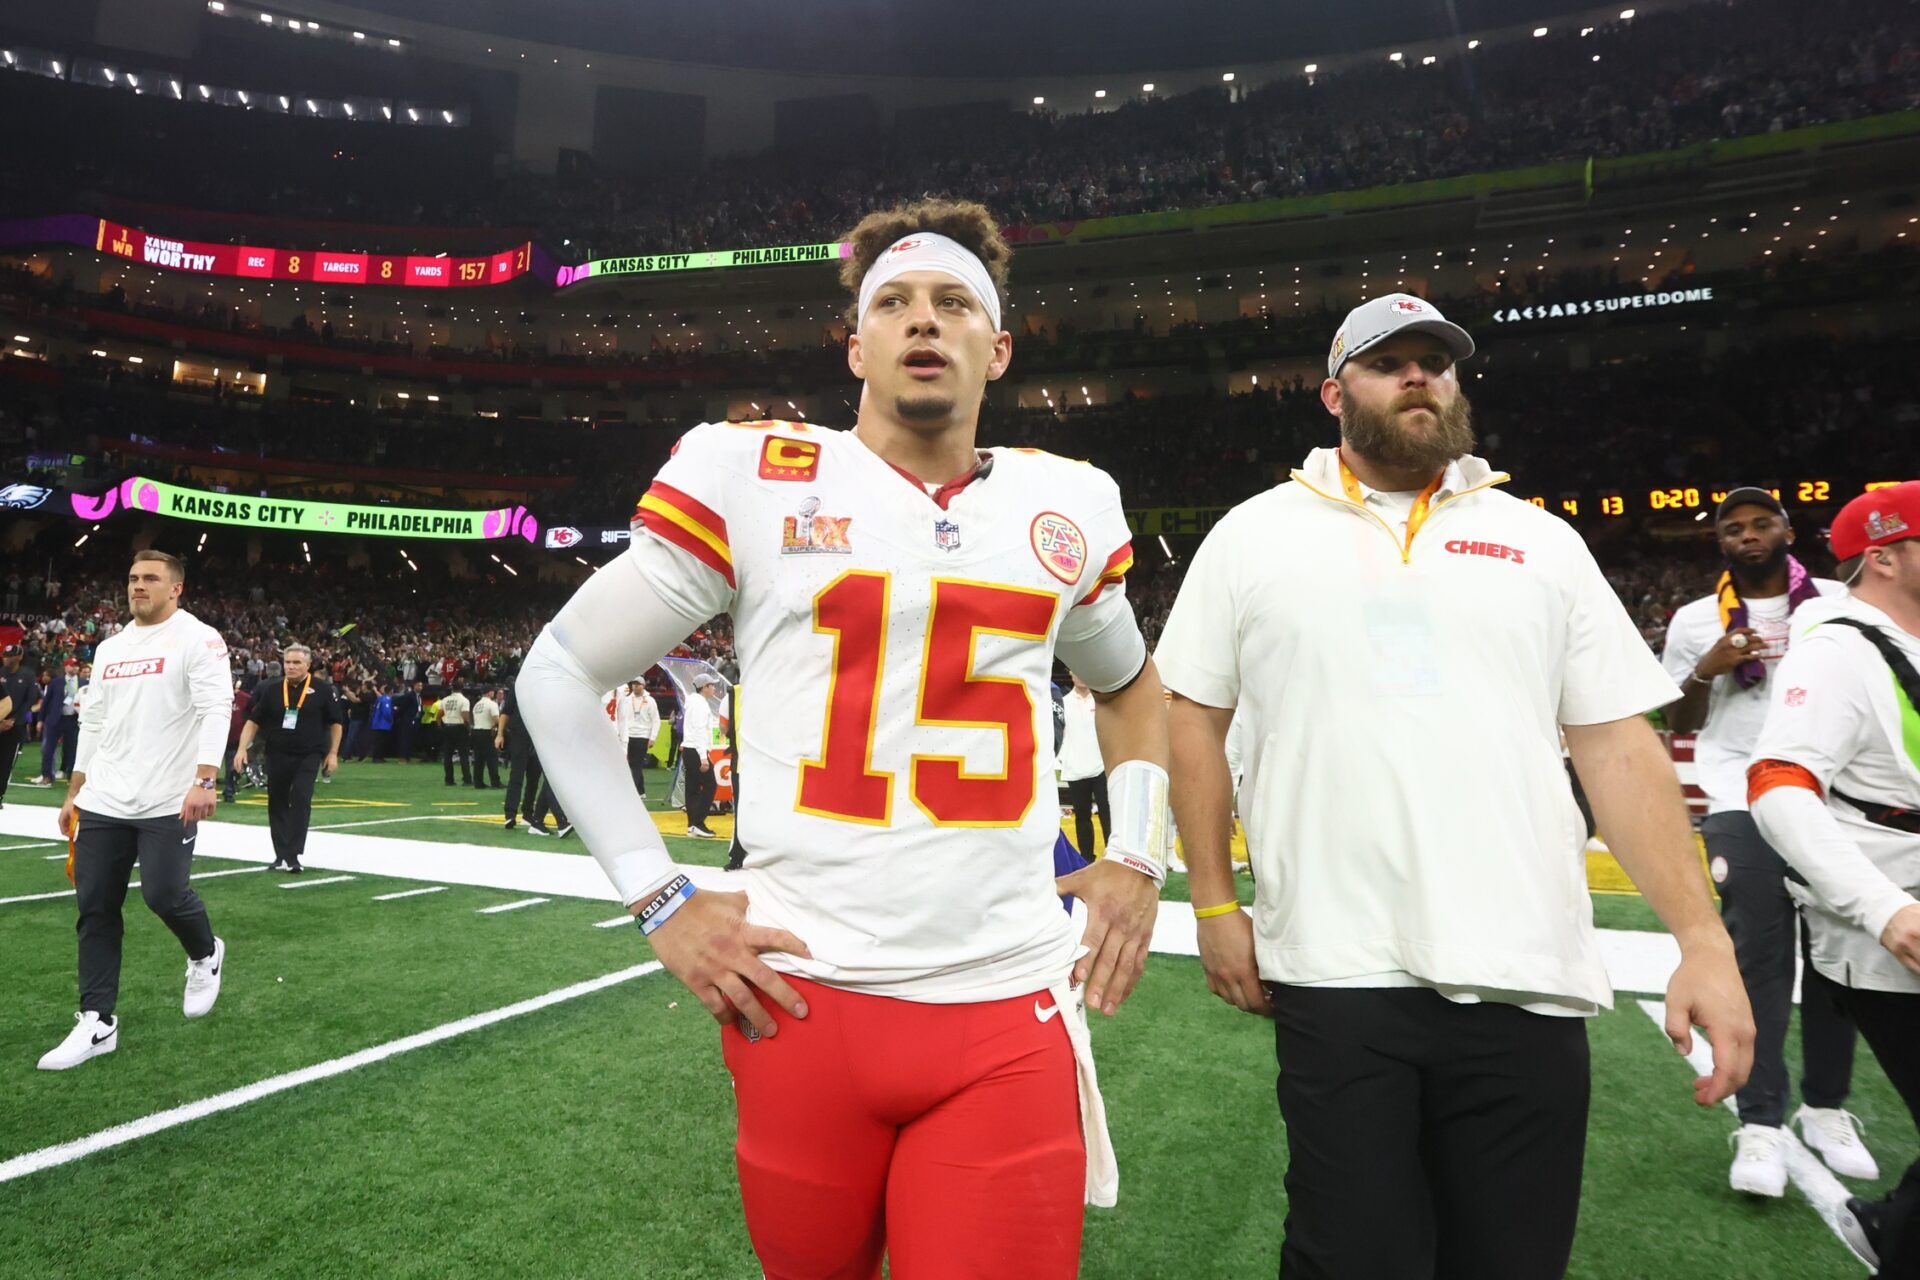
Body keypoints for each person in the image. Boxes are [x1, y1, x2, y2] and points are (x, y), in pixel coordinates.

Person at [516, 198, 1170, 1276]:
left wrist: (1138, 850)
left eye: (955, 302)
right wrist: (658, 895)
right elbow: (559, 670)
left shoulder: (1068, 503)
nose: (926, 320)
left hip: (1004, 1000)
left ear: (996, 348)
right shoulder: (755, 475)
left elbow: (1134, 689)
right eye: (895, 302)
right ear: (855, 342)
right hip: (803, 1006)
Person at [1156, 293, 1755, 1279]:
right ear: (1331, 392)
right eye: (1389, 360)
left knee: (1511, 1260)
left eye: (1437, 359)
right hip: (1337, 966)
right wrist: (1216, 903)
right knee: (1351, 1258)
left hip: (1526, 965)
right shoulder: (1252, 535)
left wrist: (1702, 938)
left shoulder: (1541, 540)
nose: (1419, 375)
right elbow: (1197, 721)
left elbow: (1616, 745)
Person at [1660, 487, 1866, 1195]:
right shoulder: (1693, 620)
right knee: (1760, 962)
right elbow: (1676, 716)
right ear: (1719, 542)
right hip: (1737, 794)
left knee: (1839, 959)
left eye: (1760, 523)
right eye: (1733, 528)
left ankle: (1827, 1108)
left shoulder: (1839, 602)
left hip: (1834, 797)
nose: (1748, 536)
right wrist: (1705, 668)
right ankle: (1760, 1123)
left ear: (1785, 529)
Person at [1751, 481, 1920, 1278]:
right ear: (1885, 557)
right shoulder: (1839, 650)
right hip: (1892, 932)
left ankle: (1891, 1228)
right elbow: (1779, 785)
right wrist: (1886, 910)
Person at [38, 550, 231, 1071]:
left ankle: (205, 953)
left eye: (150, 579)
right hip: (104, 796)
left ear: (176, 589)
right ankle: (97, 1020)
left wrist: (204, 778)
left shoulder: (200, 639)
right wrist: (75, 791)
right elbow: (94, 723)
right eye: (132, 578)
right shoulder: (110, 648)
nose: (138, 586)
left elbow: (218, 709)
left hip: (170, 796)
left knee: (164, 894)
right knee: (95, 906)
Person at [234, 643, 344, 874]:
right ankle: (280, 854)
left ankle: (293, 854)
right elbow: (254, 721)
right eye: (288, 662)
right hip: (277, 753)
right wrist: (242, 748)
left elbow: (336, 723)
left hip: (310, 753)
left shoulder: (322, 689)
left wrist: (333, 753)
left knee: (301, 797)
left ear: (308, 665)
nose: (291, 667)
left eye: (297, 663)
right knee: (277, 801)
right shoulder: (272, 689)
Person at [1058, 671, 1108, 856]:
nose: (1081, 676)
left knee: (1107, 814)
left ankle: (1112, 858)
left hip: (1101, 767)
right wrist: (1063, 758)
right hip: (1075, 768)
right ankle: (1086, 859)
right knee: (1082, 816)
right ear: (1071, 674)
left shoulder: (1101, 701)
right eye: (1076, 672)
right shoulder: (1064, 702)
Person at [679, 672, 720, 839]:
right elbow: (699, 731)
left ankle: (692, 824)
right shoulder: (700, 705)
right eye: (712, 685)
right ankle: (698, 823)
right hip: (696, 750)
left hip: (690, 748)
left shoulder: (693, 703)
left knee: (693, 788)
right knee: (710, 784)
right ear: (705, 687)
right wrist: (703, 757)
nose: (714, 688)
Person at [0, 642, 34, 808]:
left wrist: (13, 719)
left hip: (15, 726)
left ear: (19, 657)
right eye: (5, 656)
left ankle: (0, 795)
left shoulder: (27, 675)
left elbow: (29, 700)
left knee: (6, 763)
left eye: (10, 656)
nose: (7, 659)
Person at [619, 678, 661, 800]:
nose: (635, 686)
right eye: (633, 684)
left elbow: (656, 720)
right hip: (628, 736)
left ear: (643, 685)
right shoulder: (626, 700)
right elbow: (622, 719)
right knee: (631, 764)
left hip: (642, 736)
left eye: (637, 684)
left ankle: (634, 792)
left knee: (635, 764)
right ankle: (640, 791)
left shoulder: (650, 701)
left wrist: (652, 737)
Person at [29, 658, 68, 785]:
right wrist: (41, 720)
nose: (43, 677)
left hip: (60, 720)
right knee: (47, 748)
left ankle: (54, 772)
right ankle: (48, 773)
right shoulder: (49, 686)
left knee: (50, 748)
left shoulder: (57, 685)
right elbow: (46, 704)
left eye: (46, 675)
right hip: (50, 720)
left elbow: (46, 704)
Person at [437, 684, 472, 785]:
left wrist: (441, 726)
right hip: (460, 727)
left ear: (452, 689)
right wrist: (468, 728)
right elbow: (465, 717)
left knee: (448, 755)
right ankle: (467, 779)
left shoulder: (445, 700)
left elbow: (438, 715)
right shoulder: (464, 700)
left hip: (448, 727)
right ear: (462, 689)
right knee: (463, 755)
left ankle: (449, 780)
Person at [470, 687, 502, 788]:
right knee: (492, 758)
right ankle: (495, 782)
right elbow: (496, 719)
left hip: (476, 731)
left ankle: (478, 782)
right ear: (490, 693)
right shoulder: (492, 704)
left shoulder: (477, 705)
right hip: (487, 732)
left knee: (479, 758)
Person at [368, 683, 395, 763]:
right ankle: (377, 757)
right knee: (380, 741)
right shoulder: (386, 699)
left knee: (378, 741)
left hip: (376, 723)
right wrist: (391, 719)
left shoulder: (380, 698)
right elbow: (386, 712)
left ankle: (379, 757)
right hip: (382, 724)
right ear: (391, 691)